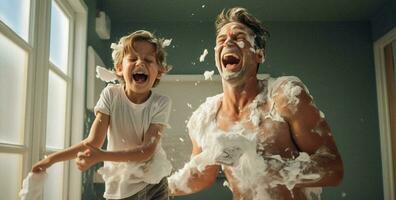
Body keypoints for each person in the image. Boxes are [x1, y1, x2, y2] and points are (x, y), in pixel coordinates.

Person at [168, 7, 343, 200]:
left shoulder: (284, 96)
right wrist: (157, 190)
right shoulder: (206, 117)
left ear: (259, 54)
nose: (228, 41)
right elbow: (200, 176)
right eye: (221, 39)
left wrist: (268, 168)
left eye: (238, 37)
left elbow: (333, 168)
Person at [32, 30, 173, 200]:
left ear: (159, 71)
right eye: (133, 58)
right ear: (119, 68)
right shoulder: (111, 95)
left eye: (148, 60)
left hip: (154, 185)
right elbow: (92, 143)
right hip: (119, 188)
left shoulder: (161, 102)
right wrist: (51, 160)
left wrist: (101, 156)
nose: (140, 63)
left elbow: (146, 151)